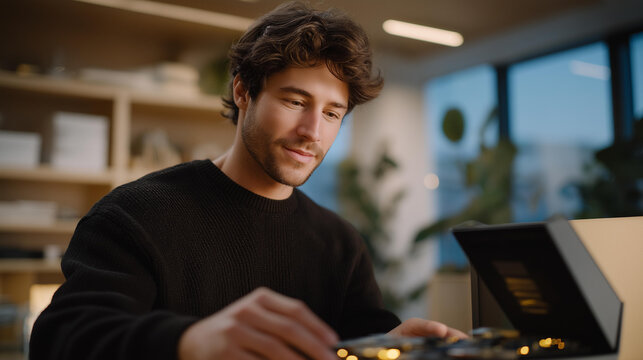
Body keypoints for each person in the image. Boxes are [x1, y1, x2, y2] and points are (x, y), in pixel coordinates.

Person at [29, 2, 466, 360]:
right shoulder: (135, 214)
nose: (313, 131)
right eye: (296, 101)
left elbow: (358, 343)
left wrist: (391, 345)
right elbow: (62, 339)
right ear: (243, 92)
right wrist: (190, 342)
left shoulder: (340, 243)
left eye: (332, 114)